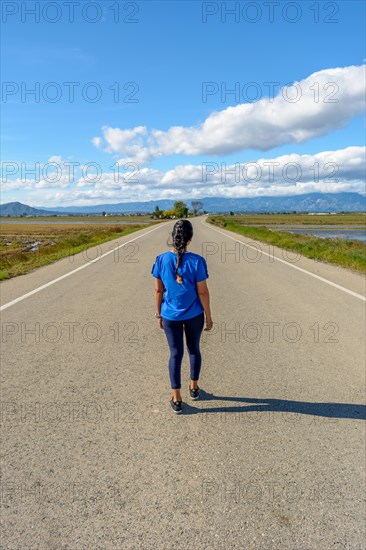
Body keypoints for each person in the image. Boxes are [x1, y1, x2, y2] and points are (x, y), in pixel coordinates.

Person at [151, 219, 213, 414]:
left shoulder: (161, 259)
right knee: (194, 349)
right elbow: (203, 292)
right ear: (190, 239)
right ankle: (194, 388)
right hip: (194, 315)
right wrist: (209, 317)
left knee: (175, 354)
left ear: (173, 237)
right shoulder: (197, 261)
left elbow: (158, 290)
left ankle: (176, 398)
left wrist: (158, 314)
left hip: (170, 315)